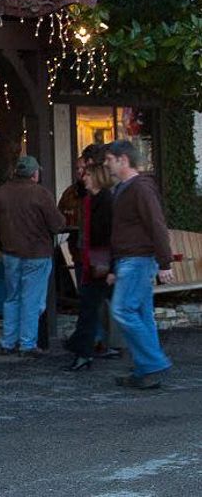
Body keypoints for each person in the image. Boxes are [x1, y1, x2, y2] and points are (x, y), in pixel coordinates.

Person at [104, 140, 174, 389]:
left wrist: (165, 262)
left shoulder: (140, 188)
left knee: (123, 310)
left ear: (123, 159)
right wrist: (114, 267)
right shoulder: (124, 189)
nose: (106, 164)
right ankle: (146, 371)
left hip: (138, 260)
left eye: (109, 159)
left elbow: (157, 224)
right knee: (142, 316)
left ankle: (153, 362)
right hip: (130, 259)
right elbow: (123, 230)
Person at [0, 156, 65, 357]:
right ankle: (27, 344)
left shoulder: (2, 192)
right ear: (34, 174)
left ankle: (8, 342)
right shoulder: (40, 193)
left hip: (10, 254)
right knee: (31, 301)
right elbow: (57, 224)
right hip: (36, 253)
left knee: (12, 298)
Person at [63, 158, 114, 371]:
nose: (83, 177)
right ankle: (83, 349)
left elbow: (106, 235)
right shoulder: (89, 200)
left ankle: (83, 349)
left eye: (87, 174)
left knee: (91, 307)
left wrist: (108, 267)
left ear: (97, 178)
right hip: (89, 261)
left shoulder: (105, 201)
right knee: (88, 307)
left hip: (99, 263)